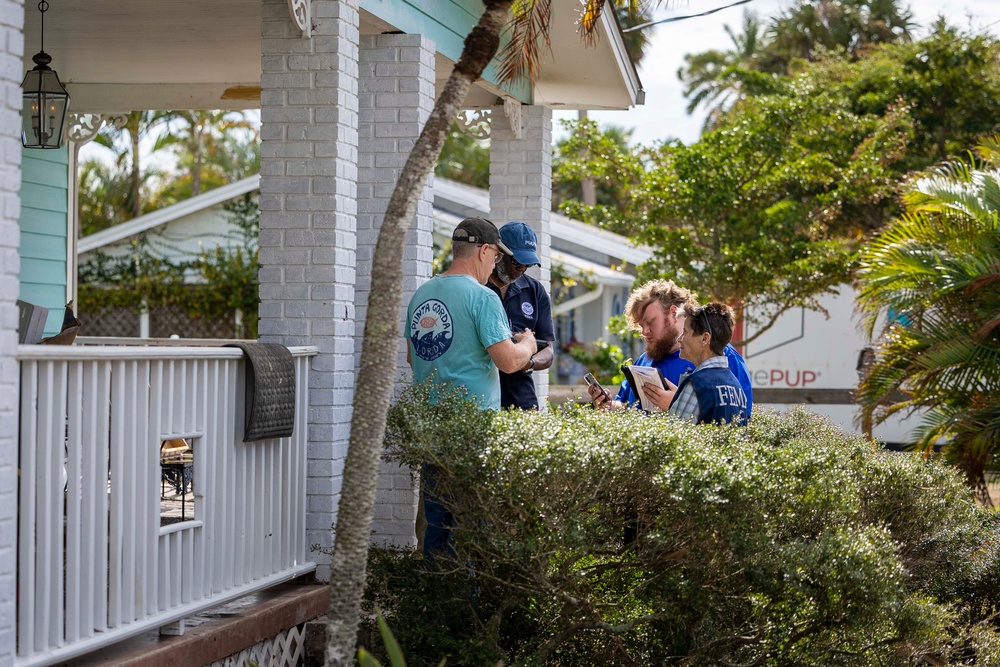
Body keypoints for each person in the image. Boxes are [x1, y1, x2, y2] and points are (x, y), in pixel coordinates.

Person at [406, 217, 538, 556]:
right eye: (495, 257)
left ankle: (434, 600)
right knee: (474, 528)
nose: (495, 264)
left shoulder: (421, 295)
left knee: (438, 524)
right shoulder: (483, 298)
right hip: (473, 432)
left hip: (431, 429)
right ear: (483, 251)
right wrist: (528, 345)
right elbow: (508, 361)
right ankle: (470, 604)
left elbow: (412, 357)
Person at [588, 279, 753, 417]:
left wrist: (676, 406)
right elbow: (626, 406)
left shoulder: (719, 353)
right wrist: (609, 406)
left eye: (650, 322)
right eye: (641, 325)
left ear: (673, 313)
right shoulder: (644, 360)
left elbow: (738, 417)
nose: (644, 332)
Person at [485, 221, 556, 410]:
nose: (522, 269)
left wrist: (528, 362)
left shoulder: (534, 291)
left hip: (522, 399)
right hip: (482, 396)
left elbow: (548, 350)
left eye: (528, 264)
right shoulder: (478, 287)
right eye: (517, 262)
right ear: (499, 253)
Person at [669, 302, 749, 425]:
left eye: (685, 332)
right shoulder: (736, 386)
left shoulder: (697, 385)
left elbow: (674, 438)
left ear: (704, 339)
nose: (679, 338)